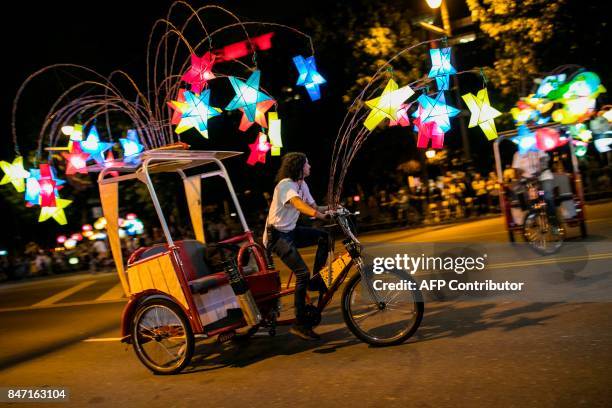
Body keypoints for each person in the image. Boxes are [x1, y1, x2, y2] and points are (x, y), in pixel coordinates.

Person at [264, 152, 330, 341]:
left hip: (291, 231)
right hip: (277, 237)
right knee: (302, 273)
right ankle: (299, 323)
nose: (310, 167)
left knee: (324, 237)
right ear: (299, 167)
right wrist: (320, 216)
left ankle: (316, 281)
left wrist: (334, 209)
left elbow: (314, 207)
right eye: (307, 164)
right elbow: (299, 205)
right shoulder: (286, 185)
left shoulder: (303, 185)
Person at [511, 148, 557, 224]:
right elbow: (517, 169)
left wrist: (539, 171)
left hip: (543, 176)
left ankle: (553, 219)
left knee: (547, 195)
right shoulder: (518, 154)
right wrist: (522, 175)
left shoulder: (539, 149)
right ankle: (532, 214)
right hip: (528, 179)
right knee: (529, 195)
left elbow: (544, 162)